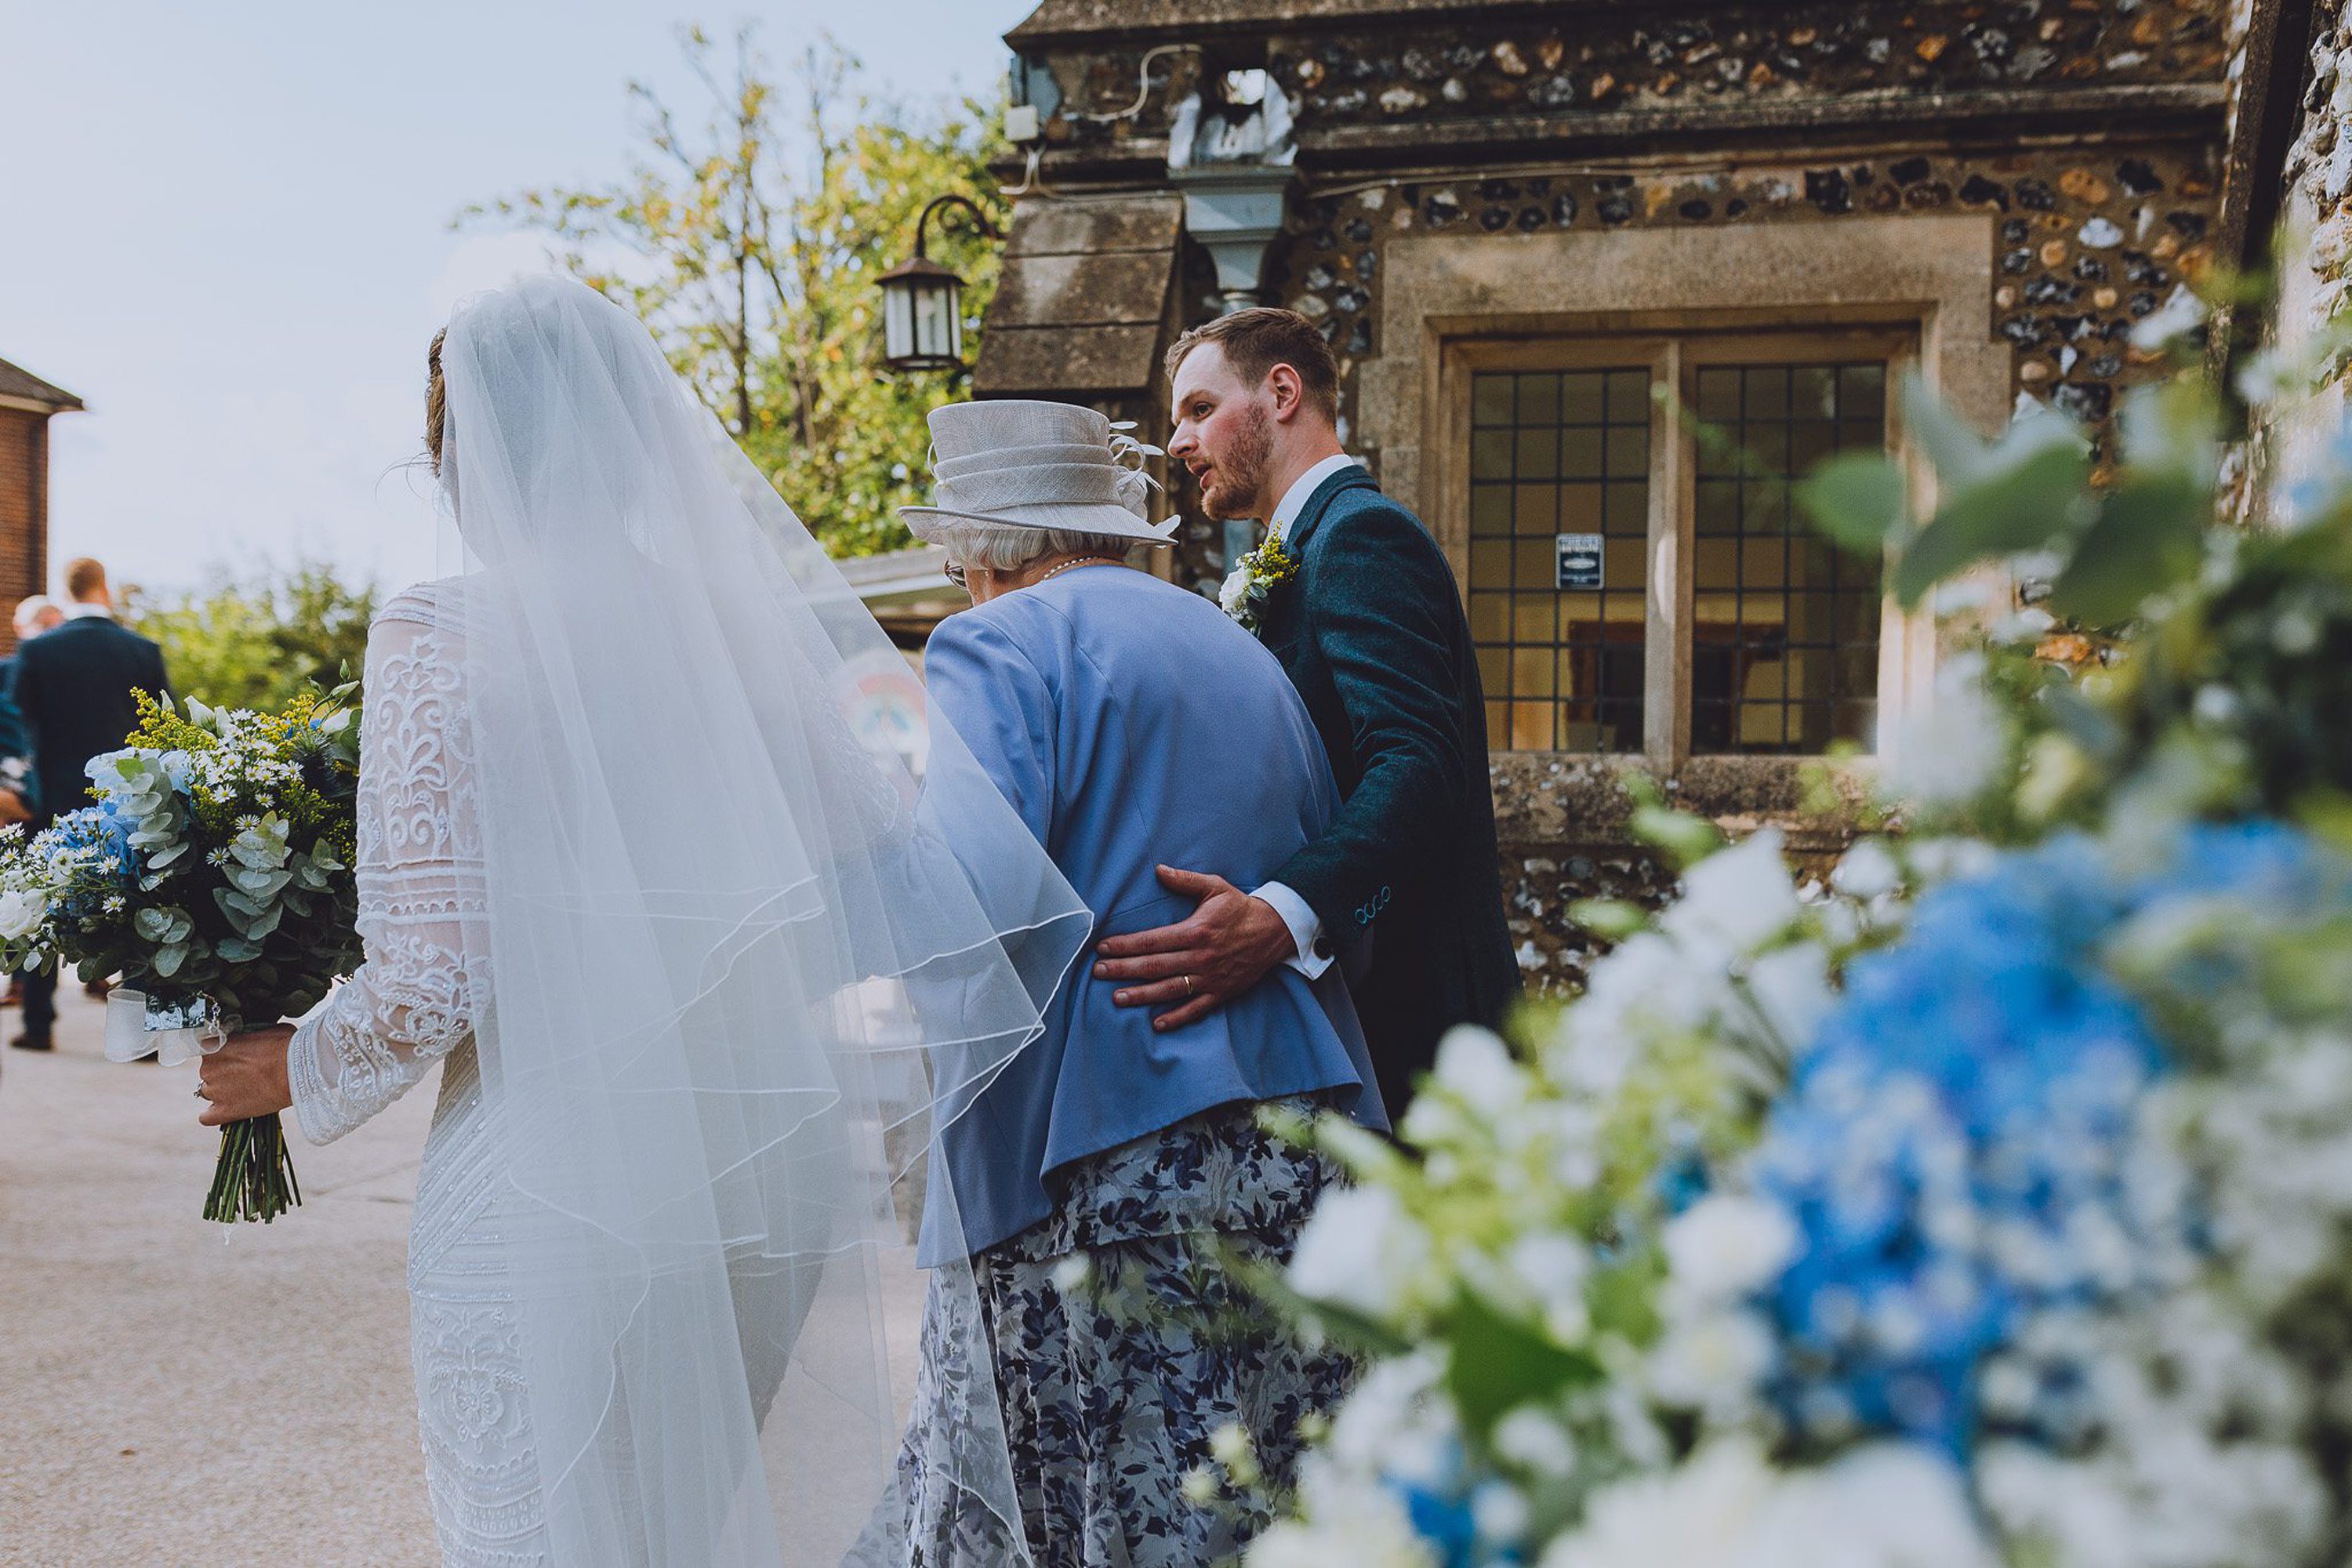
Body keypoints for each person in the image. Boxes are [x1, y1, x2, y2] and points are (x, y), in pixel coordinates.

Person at [191, 277, 1091, 1566]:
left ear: (464, 450)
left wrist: (291, 1064)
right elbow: (875, 862)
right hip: (749, 1166)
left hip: (548, 1173)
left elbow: (437, 978)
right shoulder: (736, 627)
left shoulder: (441, 629)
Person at [877, 398, 1386, 1566]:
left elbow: (967, 915)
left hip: (1101, 1179)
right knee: (1267, 1511)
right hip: (1295, 1154)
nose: (960, 583)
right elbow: (1334, 908)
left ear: (985, 546)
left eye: (959, 558)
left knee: (1102, 1512)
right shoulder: (1243, 654)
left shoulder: (996, 646)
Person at [1091, 308, 1520, 1114]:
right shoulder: (1307, 547)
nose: (1179, 444)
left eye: (1198, 410)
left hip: (1421, 1027)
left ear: (1281, 392)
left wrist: (1280, 916)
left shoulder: (1361, 538)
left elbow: (1419, 763)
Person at [6, 564, 167, 1051]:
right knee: (141, 903)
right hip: (127, 801)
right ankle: (139, 1038)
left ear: (66, 591)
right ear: (105, 589)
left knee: (42, 908)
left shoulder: (36, 651)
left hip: (51, 800)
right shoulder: (141, 651)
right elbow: (160, 723)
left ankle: (38, 1026)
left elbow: (20, 720)